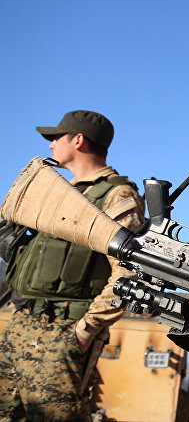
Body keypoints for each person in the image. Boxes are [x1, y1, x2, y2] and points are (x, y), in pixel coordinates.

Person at [0, 110, 145, 421]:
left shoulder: (117, 195)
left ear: (78, 140)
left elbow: (130, 272)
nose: (51, 146)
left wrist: (85, 330)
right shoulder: (60, 196)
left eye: (56, 138)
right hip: (21, 324)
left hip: (64, 332)